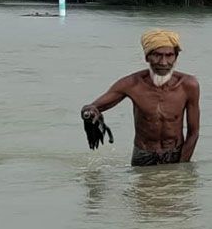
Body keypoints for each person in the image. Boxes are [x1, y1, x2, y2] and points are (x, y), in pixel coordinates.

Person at [80, 29, 200, 166]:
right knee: (140, 187)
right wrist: (88, 113)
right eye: (157, 55)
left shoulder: (189, 85)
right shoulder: (132, 84)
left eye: (169, 55)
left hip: (176, 153)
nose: (163, 62)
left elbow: (193, 132)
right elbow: (95, 107)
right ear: (147, 57)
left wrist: (181, 167)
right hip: (144, 154)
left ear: (176, 57)